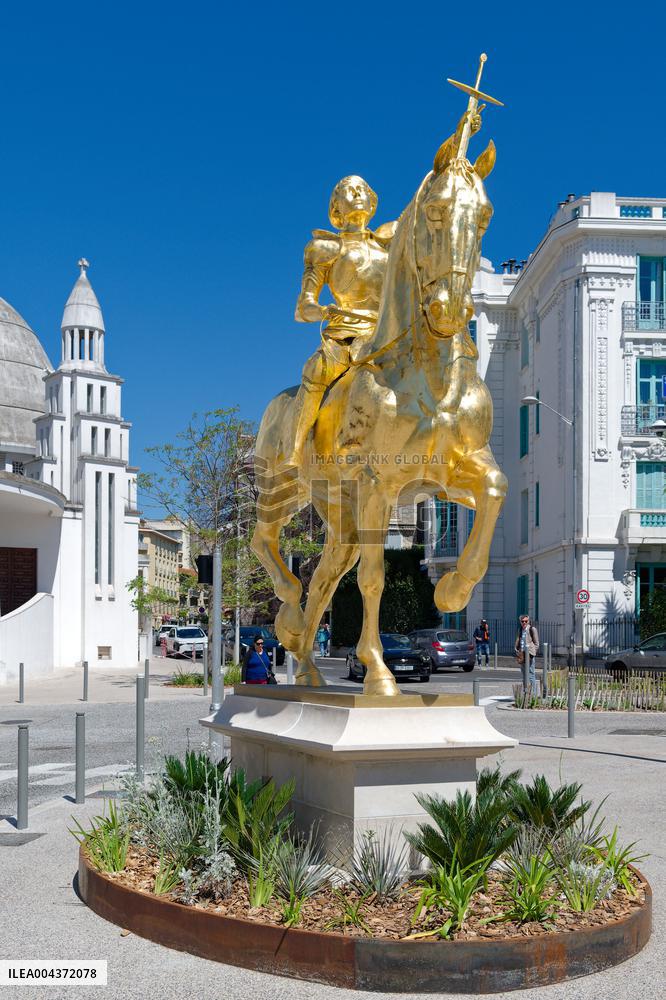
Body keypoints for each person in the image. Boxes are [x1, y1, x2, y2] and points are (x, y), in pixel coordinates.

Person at [515, 614, 539, 690]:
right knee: (524, 675)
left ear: (528, 621)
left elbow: (536, 643)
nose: (524, 623)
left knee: (531, 674)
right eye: (522, 621)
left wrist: (533, 652)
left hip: (529, 654)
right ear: (520, 622)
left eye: (526, 621)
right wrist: (516, 649)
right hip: (522, 654)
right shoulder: (520, 630)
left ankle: (534, 695)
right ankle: (526, 692)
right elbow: (519, 640)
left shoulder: (532, 629)